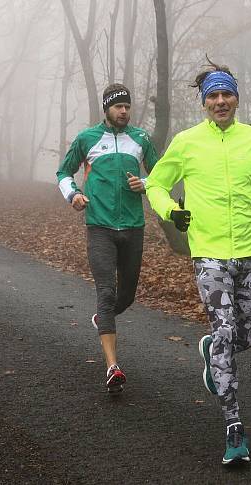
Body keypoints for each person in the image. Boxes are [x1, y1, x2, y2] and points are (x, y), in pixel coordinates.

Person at [144, 63, 251, 465]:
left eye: (226, 95)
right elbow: (156, 184)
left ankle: (214, 350)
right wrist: (170, 210)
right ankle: (234, 430)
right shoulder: (187, 142)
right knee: (227, 329)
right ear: (204, 102)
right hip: (208, 253)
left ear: (236, 99)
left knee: (243, 334)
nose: (220, 102)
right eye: (212, 96)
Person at [56, 83, 158, 394]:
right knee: (106, 290)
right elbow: (63, 173)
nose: (124, 111)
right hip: (99, 226)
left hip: (133, 227)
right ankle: (112, 366)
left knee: (127, 294)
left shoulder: (141, 139)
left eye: (127, 106)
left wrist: (145, 183)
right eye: (117, 106)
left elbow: (162, 175)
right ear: (106, 109)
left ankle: (103, 318)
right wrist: (73, 195)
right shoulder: (88, 139)